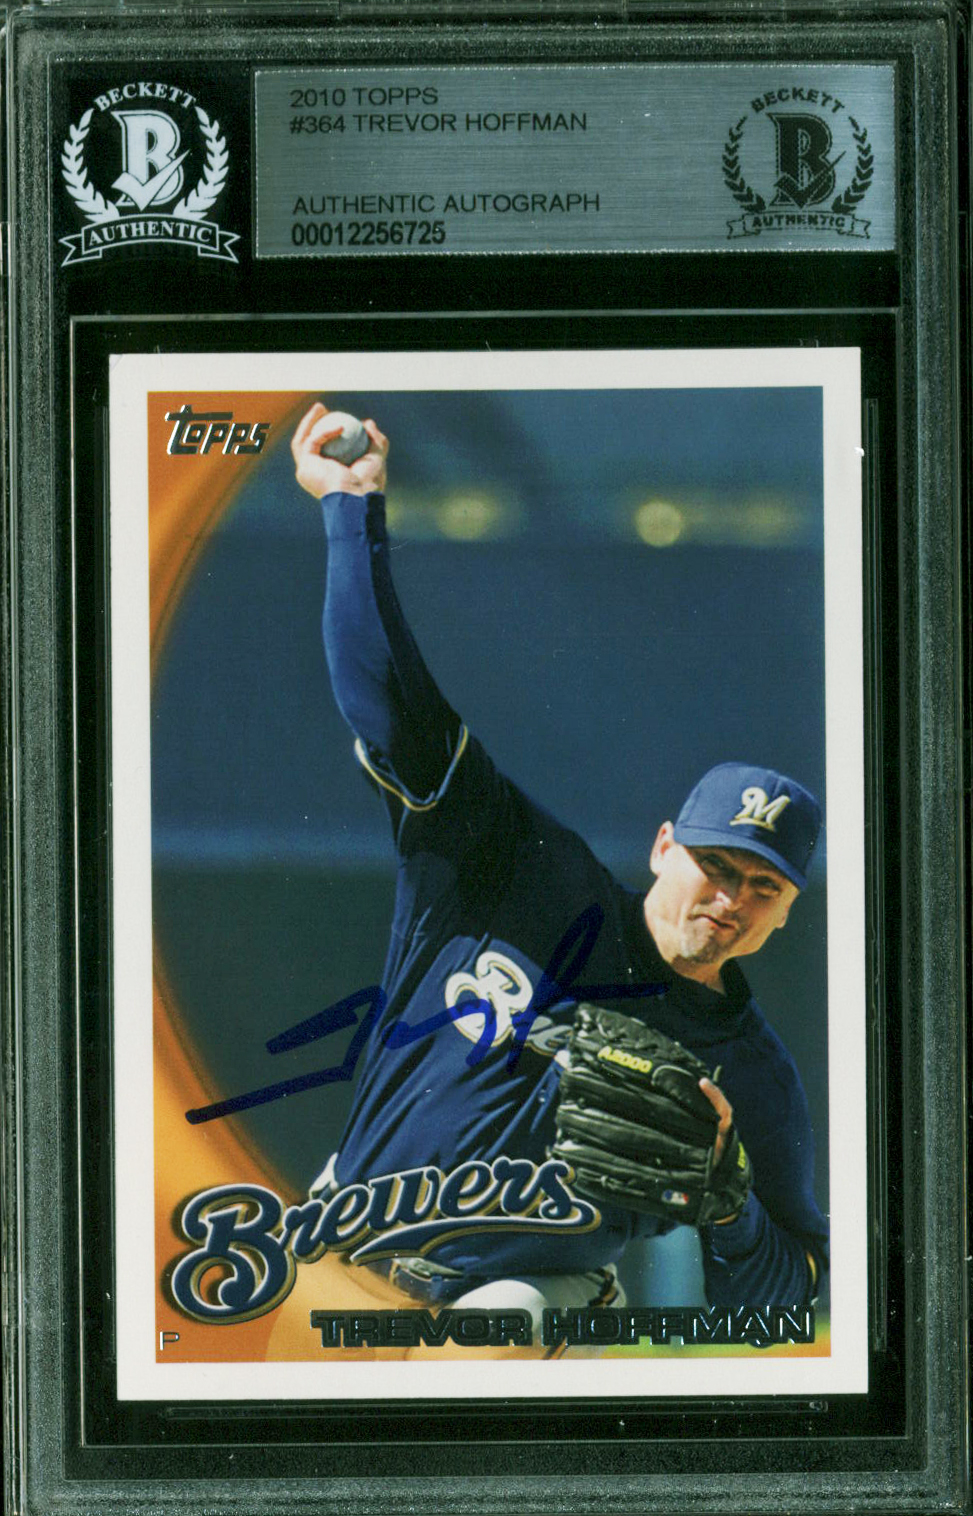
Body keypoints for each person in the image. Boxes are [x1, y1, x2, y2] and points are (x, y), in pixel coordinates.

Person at [285, 401, 829, 1342]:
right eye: (714, 864)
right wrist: (349, 508)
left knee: (486, 1348)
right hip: (338, 1238)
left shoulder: (751, 1076)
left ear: (786, 912)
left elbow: (788, 1300)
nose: (729, 898)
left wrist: (731, 1204)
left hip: (521, 1295)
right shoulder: (522, 871)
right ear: (662, 846)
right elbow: (393, 708)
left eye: (763, 887)